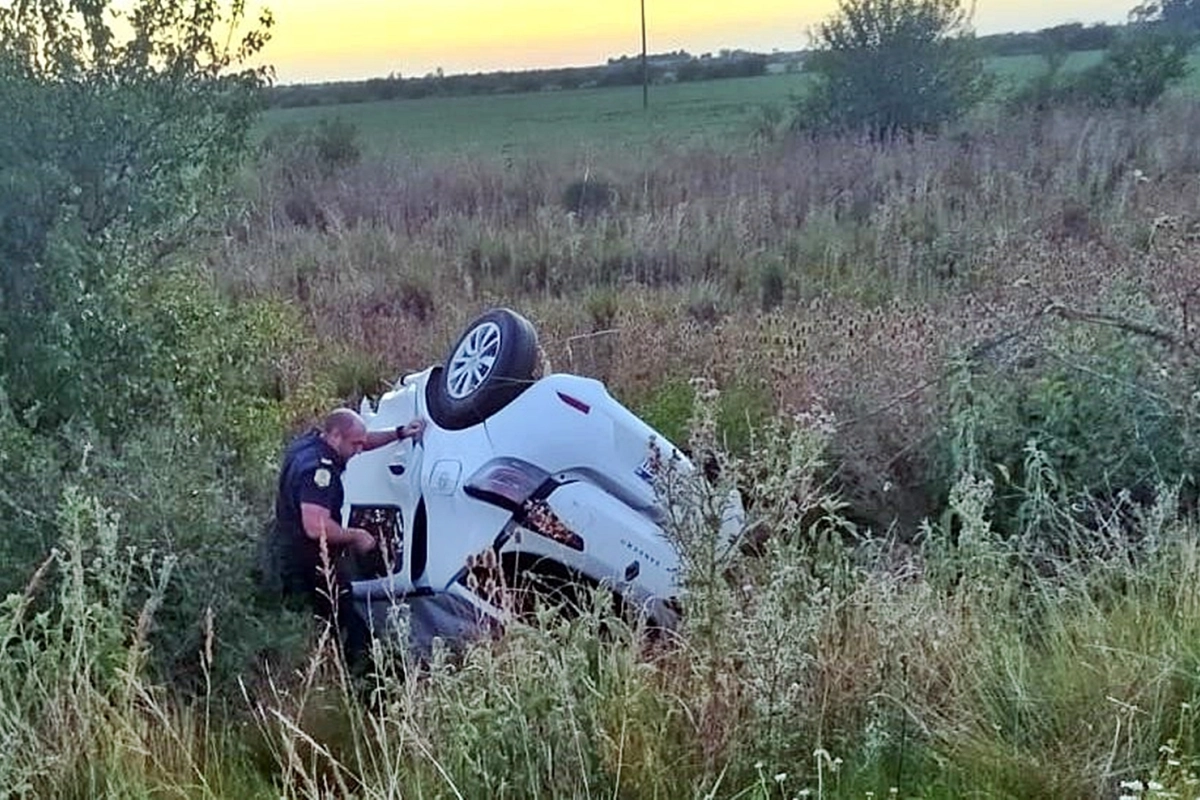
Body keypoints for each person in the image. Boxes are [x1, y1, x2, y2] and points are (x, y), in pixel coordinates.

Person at [273, 407, 426, 657]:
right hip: (310, 564)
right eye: (355, 444)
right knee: (345, 628)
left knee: (312, 622)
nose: (359, 450)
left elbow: (361, 440)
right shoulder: (319, 470)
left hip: (288, 552)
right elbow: (315, 527)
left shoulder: (309, 444)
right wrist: (356, 535)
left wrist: (400, 433)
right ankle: (359, 669)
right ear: (335, 436)